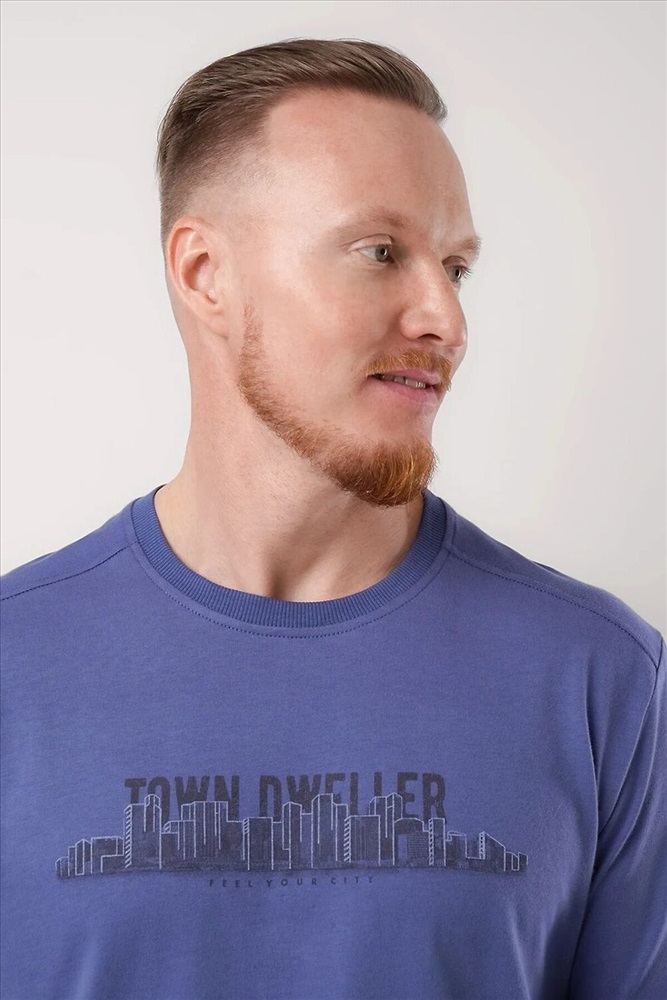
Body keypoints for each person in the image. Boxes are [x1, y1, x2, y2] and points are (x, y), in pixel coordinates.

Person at [1, 36, 665, 1000]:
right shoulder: (15, 664)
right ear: (205, 273)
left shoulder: (599, 676)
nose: (446, 320)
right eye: (380, 252)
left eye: (455, 267)